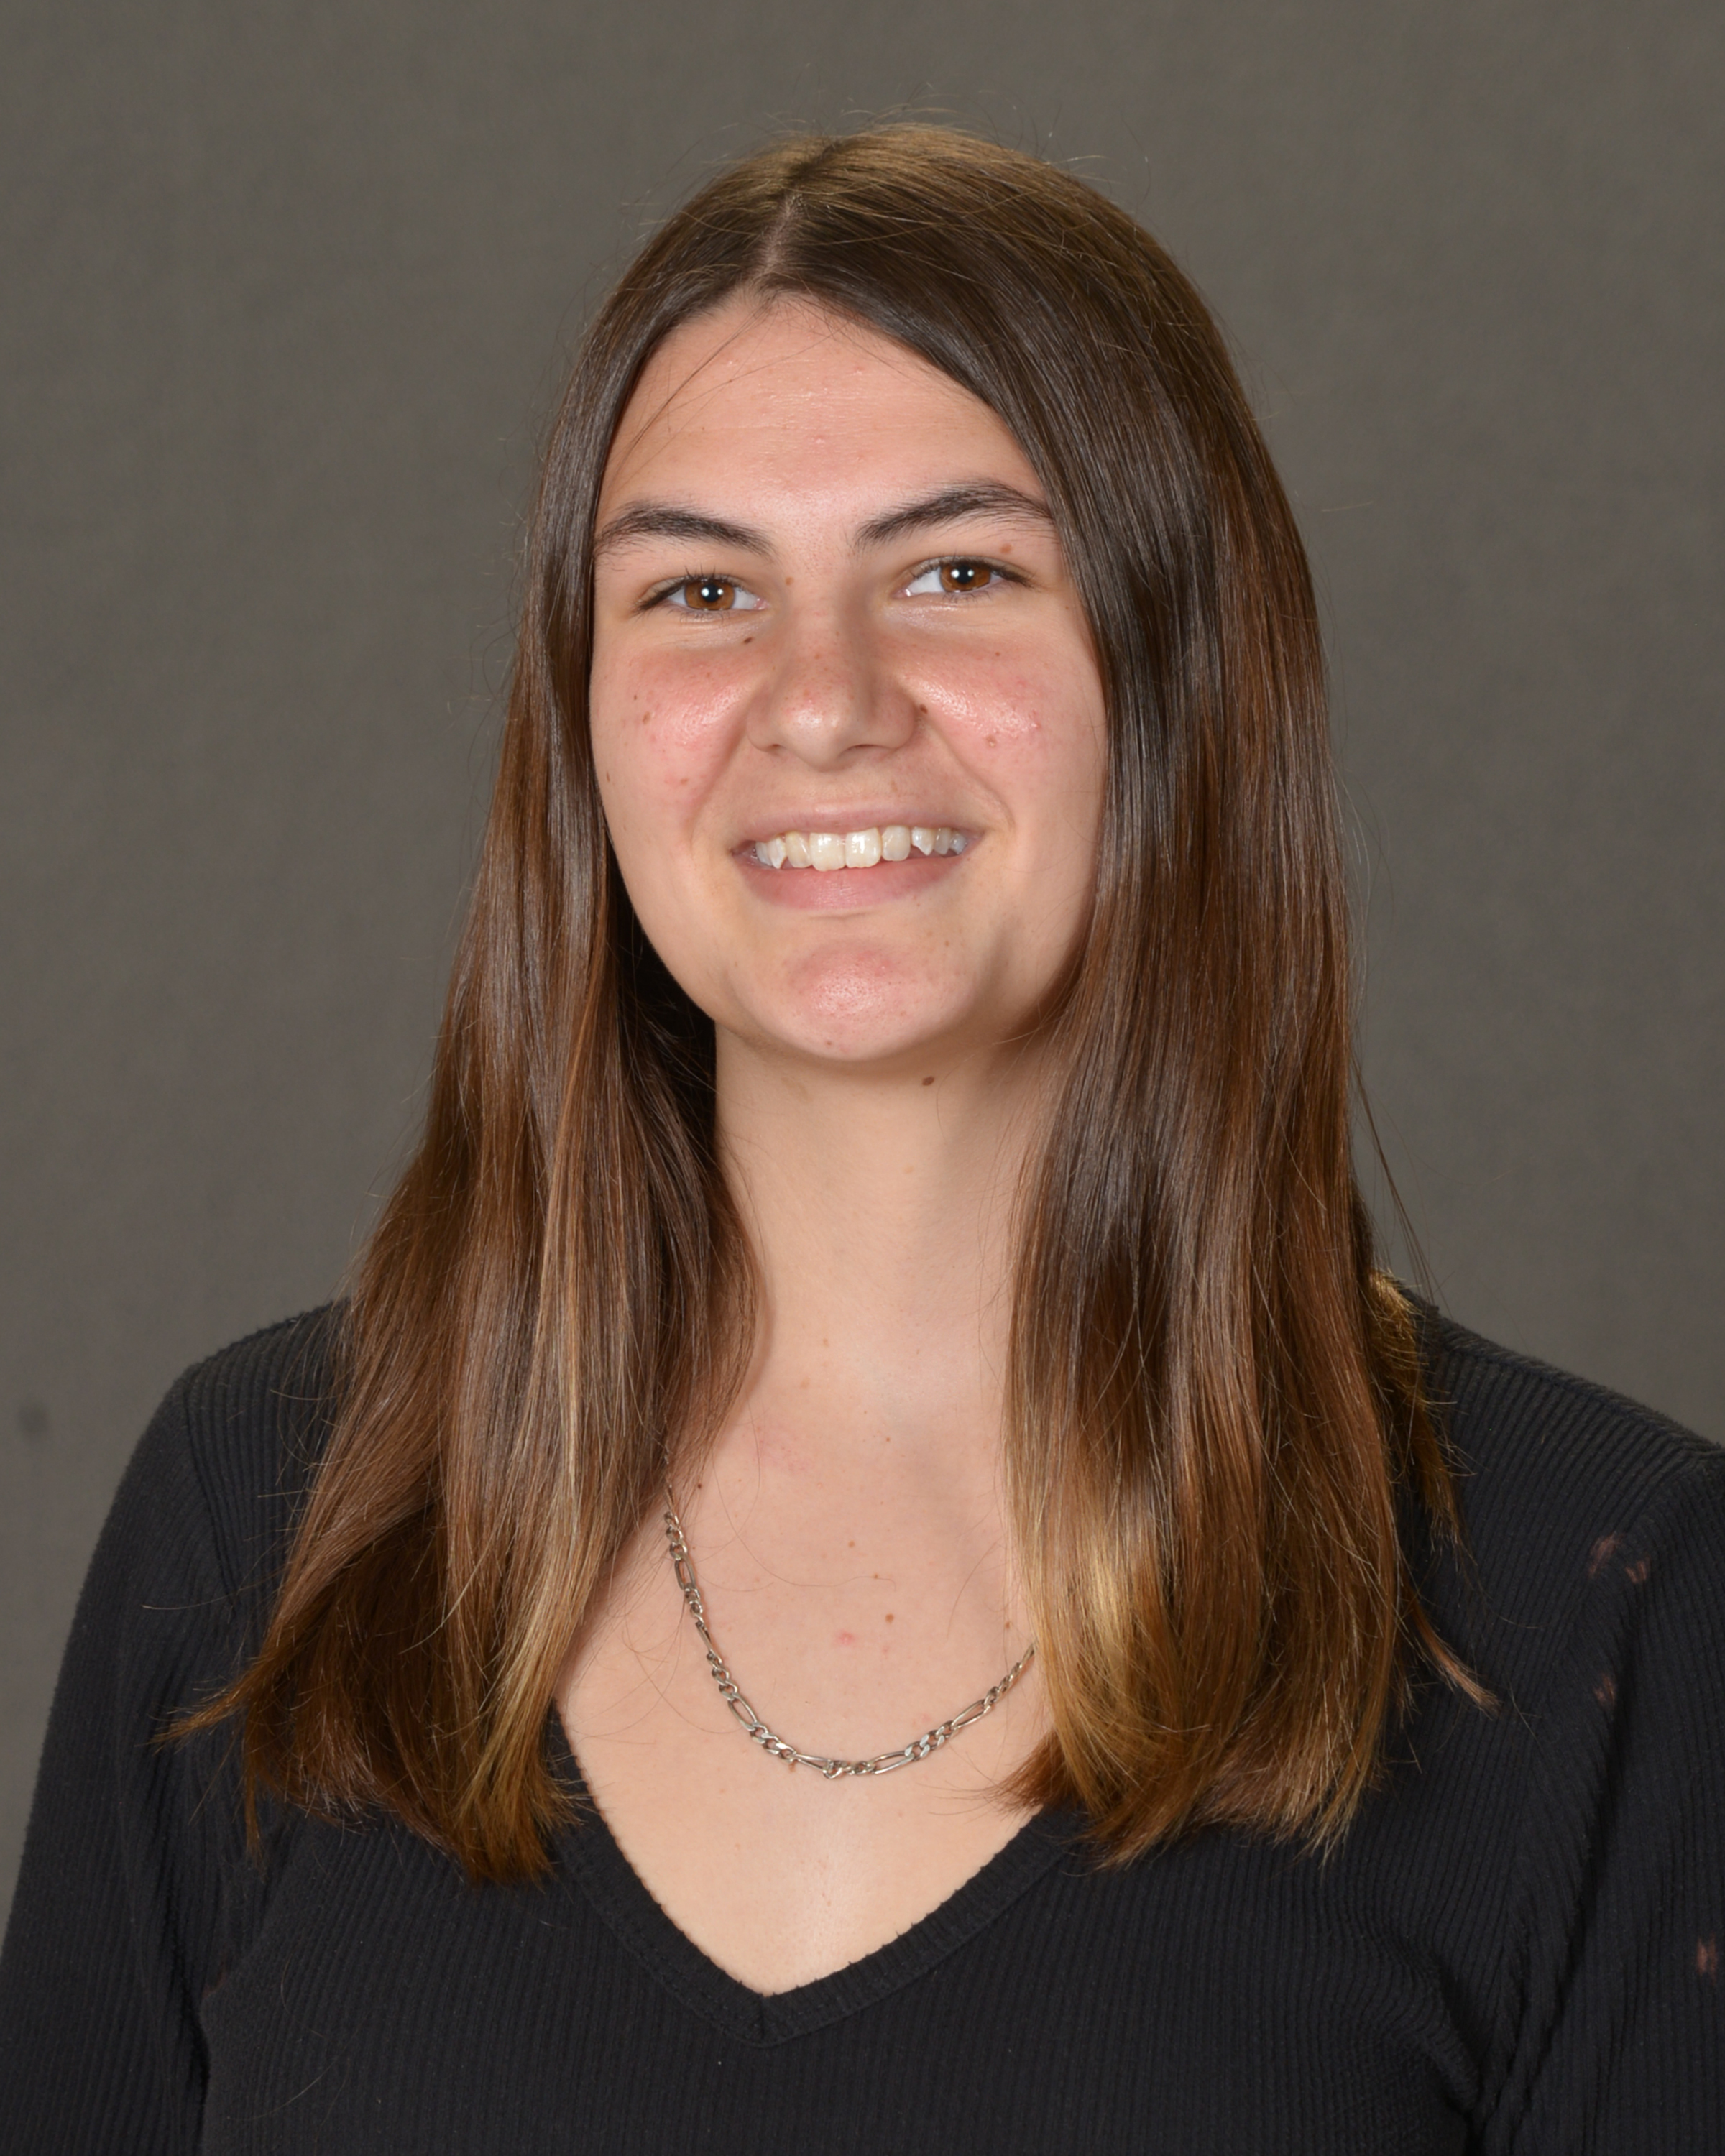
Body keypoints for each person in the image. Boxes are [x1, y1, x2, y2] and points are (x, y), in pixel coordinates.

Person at [1, 126, 1721, 2155]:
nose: (821, 701)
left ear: (1185, 665)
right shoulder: (273, 1519)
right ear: (584, 718)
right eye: (701, 590)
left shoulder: (1603, 1604)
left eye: (958, 573)